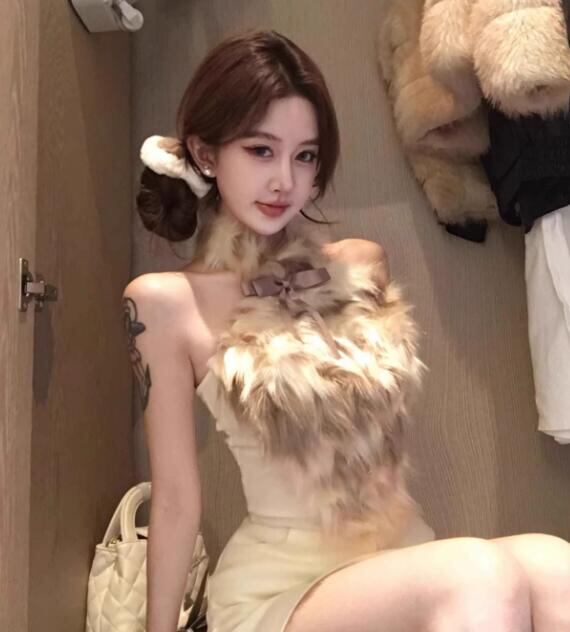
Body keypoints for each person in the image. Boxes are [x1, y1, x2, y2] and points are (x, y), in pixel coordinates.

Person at [122, 28, 570, 632]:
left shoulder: (359, 266)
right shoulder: (164, 303)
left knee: (554, 564)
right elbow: (177, 500)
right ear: (206, 154)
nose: (285, 180)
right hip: (282, 588)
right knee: (479, 575)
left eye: (305, 156)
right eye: (260, 150)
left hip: (396, 559)